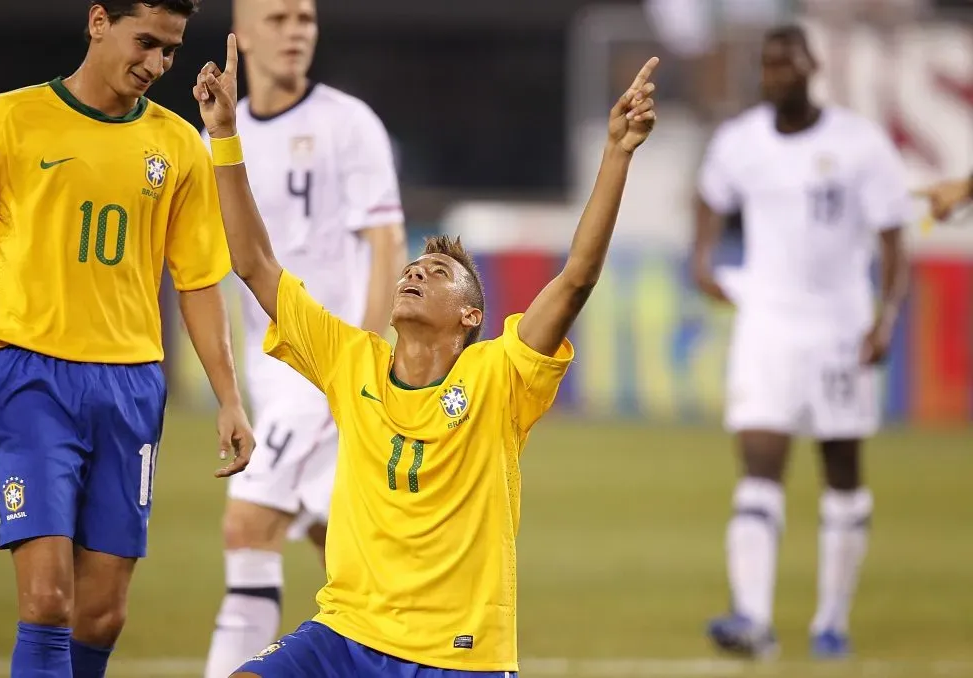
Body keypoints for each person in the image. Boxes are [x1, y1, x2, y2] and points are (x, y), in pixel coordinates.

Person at [194, 33, 657, 678]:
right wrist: (224, 134)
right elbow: (252, 263)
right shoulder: (348, 359)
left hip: (457, 657)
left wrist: (616, 152)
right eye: (413, 264)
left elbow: (576, 277)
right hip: (346, 635)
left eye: (437, 271)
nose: (414, 272)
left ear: (472, 314)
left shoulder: (500, 377)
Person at [0, 2, 256, 677]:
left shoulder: (176, 145)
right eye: (145, 42)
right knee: (48, 597)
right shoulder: (7, 120)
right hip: (32, 377)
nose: (156, 65)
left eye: (171, 51)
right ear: (97, 21)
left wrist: (230, 399)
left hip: (131, 386)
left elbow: (199, 280)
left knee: (102, 615)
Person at [693, 25, 910, 660]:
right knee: (759, 463)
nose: (775, 74)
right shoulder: (740, 142)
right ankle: (753, 620)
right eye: (767, 65)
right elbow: (709, 196)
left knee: (841, 470)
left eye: (786, 63)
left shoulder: (859, 145)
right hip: (766, 322)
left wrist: (886, 316)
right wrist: (703, 258)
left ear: (812, 66)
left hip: (840, 326)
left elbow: (895, 236)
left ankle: (832, 621)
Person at [202, 0, 406, 675]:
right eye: (280, 19)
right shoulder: (221, 137)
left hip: (325, 370)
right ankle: (412, 655)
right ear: (244, 33)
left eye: (306, 20)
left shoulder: (348, 124)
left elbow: (386, 243)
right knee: (343, 551)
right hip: (272, 371)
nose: (296, 33)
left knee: (248, 526)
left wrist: (364, 361)